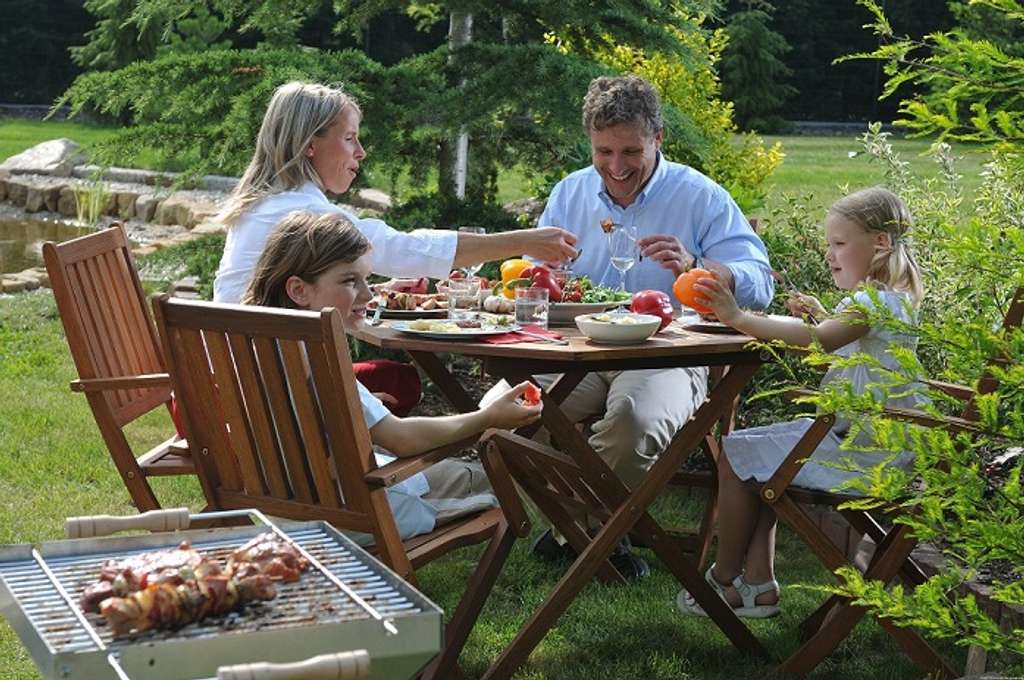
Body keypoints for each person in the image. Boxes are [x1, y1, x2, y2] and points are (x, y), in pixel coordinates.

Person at [481, 75, 774, 580]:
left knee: (634, 422)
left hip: (668, 353)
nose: (617, 167)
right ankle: (590, 528)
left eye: (631, 151)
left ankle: (577, 529)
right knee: (502, 413)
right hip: (577, 350)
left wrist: (698, 267)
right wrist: (542, 278)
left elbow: (760, 283)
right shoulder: (570, 193)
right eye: (604, 152)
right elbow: (531, 277)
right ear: (590, 144)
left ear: (657, 138)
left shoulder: (699, 195)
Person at [678, 186, 926, 617]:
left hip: (864, 456)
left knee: (735, 456)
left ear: (880, 242)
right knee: (755, 457)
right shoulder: (894, 300)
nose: (829, 255)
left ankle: (725, 579)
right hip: (876, 446)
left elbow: (821, 342)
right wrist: (821, 317)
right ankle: (758, 584)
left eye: (839, 243)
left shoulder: (871, 302)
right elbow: (846, 347)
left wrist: (737, 317)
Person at [242, 210, 543, 541]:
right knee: (496, 480)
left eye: (366, 279)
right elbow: (402, 439)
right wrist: (488, 417)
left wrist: (356, 414)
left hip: (279, 513)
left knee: (455, 473)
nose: (368, 295)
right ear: (299, 290)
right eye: (349, 281)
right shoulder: (316, 354)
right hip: (354, 517)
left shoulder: (249, 345)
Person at [214, 80, 577, 304]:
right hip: (273, 390)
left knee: (391, 382)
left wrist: (371, 288)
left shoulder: (257, 207)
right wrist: (523, 241)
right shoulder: (309, 217)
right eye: (349, 138)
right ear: (310, 144)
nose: (361, 152)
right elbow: (406, 249)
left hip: (233, 382)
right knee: (399, 383)